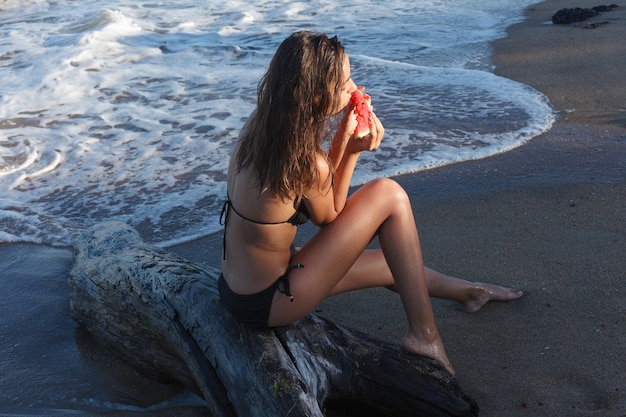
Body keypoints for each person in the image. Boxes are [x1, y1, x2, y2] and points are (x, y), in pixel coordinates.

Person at [218, 30, 523, 376]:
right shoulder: (306, 162)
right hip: (271, 301)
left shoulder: (258, 129)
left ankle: (471, 292)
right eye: (345, 82)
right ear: (318, 99)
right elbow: (330, 215)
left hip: (235, 289)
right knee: (389, 195)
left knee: (390, 262)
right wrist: (349, 150)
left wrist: (341, 143)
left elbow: (317, 195)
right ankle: (424, 335)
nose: (354, 88)